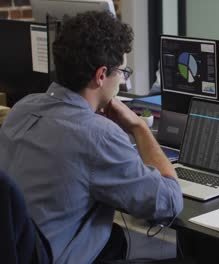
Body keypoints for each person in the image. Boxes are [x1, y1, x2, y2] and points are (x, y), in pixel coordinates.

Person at [0, 11, 183, 263]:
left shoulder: (22, 108)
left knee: (116, 236)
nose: (123, 81)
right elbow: (170, 202)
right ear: (100, 75)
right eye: (122, 72)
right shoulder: (98, 135)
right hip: (54, 255)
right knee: (177, 253)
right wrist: (139, 127)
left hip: (22, 248)